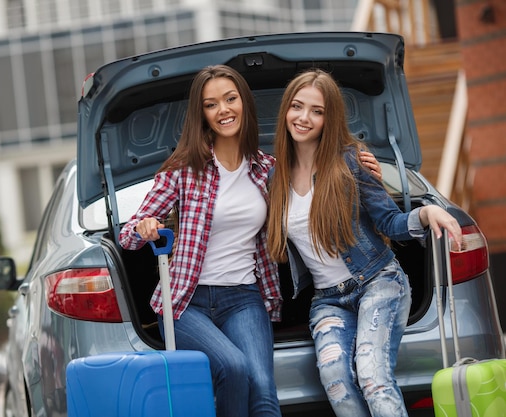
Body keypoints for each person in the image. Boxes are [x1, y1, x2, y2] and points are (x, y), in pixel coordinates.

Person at [119, 65, 383, 417]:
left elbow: (319, 183)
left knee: (262, 389)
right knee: (233, 367)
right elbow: (128, 233)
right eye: (212, 104)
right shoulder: (183, 169)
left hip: (244, 298)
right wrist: (144, 227)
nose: (224, 110)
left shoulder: (268, 169)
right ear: (202, 114)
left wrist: (366, 173)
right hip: (186, 301)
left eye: (231, 99)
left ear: (244, 103)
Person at [266, 69, 462, 417]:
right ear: (286, 111)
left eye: (317, 110)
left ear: (330, 118)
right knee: (337, 381)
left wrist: (426, 214)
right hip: (329, 300)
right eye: (297, 107)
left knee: (373, 377)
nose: (304, 118)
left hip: (378, 282)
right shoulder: (274, 176)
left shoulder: (349, 162)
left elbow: (390, 222)